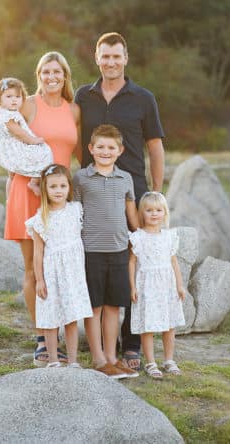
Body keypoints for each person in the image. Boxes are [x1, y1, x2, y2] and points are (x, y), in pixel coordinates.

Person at [75, 31, 165, 373]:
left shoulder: (143, 98)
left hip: (134, 190)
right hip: (95, 191)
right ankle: (101, 347)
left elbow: (155, 147)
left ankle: (131, 345)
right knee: (98, 264)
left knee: (135, 267)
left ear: (125, 58)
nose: (111, 62)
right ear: (97, 58)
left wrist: (155, 191)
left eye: (117, 56)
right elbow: (74, 138)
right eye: (105, 56)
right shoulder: (85, 96)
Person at [1, 52, 81, 366]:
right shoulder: (26, 105)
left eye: (57, 72)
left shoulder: (74, 110)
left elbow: (78, 153)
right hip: (28, 190)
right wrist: (15, 178)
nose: (51, 77)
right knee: (34, 268)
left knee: (61, 266)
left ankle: (62, 332)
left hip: (60, 195)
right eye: (46, 71)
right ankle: (42, 339)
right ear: (38, 75)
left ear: (65, 76)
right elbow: (5, 142)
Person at [73, 124, 139, 379]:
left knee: (114, 306)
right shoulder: (81, 178)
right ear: (91, 149)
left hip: (120, 250)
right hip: (91, 251)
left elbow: (131, 213)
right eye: (100, 147)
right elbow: (75, 214)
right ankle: (98, 358)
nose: (105, 151)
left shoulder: (125, 179)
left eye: (111, 147)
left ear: (120, 151)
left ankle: (112, 357)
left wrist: (143, 235)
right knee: (95, 306)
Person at [26, 164, 92, 368]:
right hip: (51, 273)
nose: (58, 191)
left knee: (71, 317)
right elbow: (38, 254)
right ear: (45, 189)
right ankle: (53, 360)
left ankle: (73, 361)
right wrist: (39, 280)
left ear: (69, 188)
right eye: (53, 187)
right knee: (50, 317)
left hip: (72, 273)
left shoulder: (76, 210)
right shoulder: (40, 219)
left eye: (63, 186)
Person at [129, 191, 186, 379]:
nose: (154, 214)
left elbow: (174, 262)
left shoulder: (169, 236)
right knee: (148, 324)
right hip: (147, 286)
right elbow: (132, 262)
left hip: (167, 285)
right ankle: (151, 362)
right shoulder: (138, 237)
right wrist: (132, 286)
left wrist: (179, 285)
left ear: (165, 213)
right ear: (141, 213)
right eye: (149, 210)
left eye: (158, 210)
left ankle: (169, 360)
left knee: (169, 324)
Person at [0, 77, 53, 195]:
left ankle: (13, 179)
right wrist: (33, 140)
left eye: (18, 97)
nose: (14, 100)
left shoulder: (1, 113)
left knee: (14, 168)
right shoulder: (8, 115)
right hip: (15, 145)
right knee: (44, 153)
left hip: (7, 146)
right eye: (9, 97)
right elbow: (18, 132)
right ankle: (34, 182)